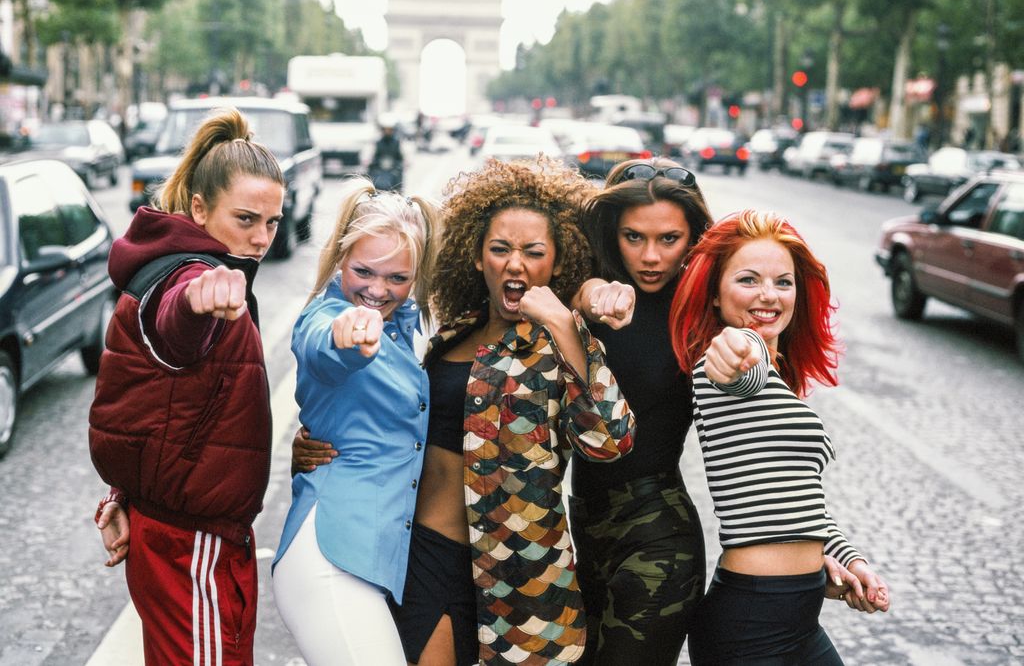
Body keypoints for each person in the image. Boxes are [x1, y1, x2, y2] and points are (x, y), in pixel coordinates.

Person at [294, 156, 636, 665]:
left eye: (533, 252)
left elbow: (611, 440)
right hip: (425, 554)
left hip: (523, 570)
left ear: (558, 263)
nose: (514, 263)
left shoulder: (564, 341)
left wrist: (565, 322)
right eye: (500, 249)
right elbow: (392, 413)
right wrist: (318, 439)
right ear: (479, 259)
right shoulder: (451, 331)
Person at [88, 108, 286, 665]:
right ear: (199, 208)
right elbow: (178, 327)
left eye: (272, 222)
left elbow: (156, 399)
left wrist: (126, 493)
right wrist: (200, 303)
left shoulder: (175, 262)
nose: (261, 238)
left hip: (186, 533)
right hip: (191, 542)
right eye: (246, 218)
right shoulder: (190, 277)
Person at [670, 209, 890, 665]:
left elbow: (802, 503)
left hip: (798, 619)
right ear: (715, 296)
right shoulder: (729, 362)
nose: (768, 296)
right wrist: (735, 348)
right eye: (748, 280)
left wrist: (851, 561)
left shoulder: (777, 374)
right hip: (751, 621)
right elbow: (731, 364)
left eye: (783, 282)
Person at [272, 179, 440, 665]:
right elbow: (324, 349)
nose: (377, 290)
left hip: (373, 562)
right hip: (331, 557)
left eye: (397, 278)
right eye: (363, 271)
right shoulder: (325, 317)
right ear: (340, 259)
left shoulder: (407, 324)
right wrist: (348, 337)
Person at [567, 157, 713, 665]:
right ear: (612, 233)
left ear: (694, 237)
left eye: (669, 239)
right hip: (581, 533)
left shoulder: (704, 313)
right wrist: (586, 296)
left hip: (658, 538)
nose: (651, 257)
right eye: (634, 238)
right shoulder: (585, 293)